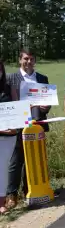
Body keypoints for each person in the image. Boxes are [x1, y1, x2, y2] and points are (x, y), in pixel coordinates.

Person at [5, 49, 51, 210]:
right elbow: (4, 99)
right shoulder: (10, 78)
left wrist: (45, 107)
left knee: (34, 160)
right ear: (20, 60)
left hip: (37, 125)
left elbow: (47, 103)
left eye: (31, 59)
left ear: (35, 60)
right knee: (16, 161)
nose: (28, 62)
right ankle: (12, 195)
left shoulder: (42, 78)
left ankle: (29, 191)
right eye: (25, 59)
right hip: (17, 125)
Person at [0, 60, 17, 214]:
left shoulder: (8, 88)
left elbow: (18, 108)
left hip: (8, 137)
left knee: (3, 170)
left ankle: (2, 203)